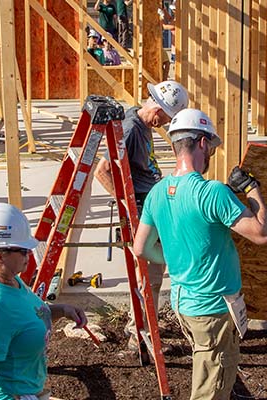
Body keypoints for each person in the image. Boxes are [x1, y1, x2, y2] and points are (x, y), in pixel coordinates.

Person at [133, 108, 267, 400]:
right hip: (213, 309)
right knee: (211, 389)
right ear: (201, 143)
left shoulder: (157, 192)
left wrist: (174, 258)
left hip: (184, 304)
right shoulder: (212, 193)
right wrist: (251, 189)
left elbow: (141, 248)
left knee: (208, 370)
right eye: (209, 145)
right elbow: (263, 235)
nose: (209, 151)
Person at [92, 80, 189, 350]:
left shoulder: (140, 121)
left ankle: (142, 324)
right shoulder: (132, 129)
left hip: (150, 204)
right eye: (167, 118)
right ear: (157, 109)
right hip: (144, 208)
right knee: (151, 275)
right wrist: (129, 205)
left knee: (153, 271)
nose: (165, 124)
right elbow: (103, 171)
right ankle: (141, 333)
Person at [0, 202, 87, 400]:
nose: (28, 254)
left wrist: (62, 310)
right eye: (22, 250)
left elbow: (26, 318)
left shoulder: (11, 280)